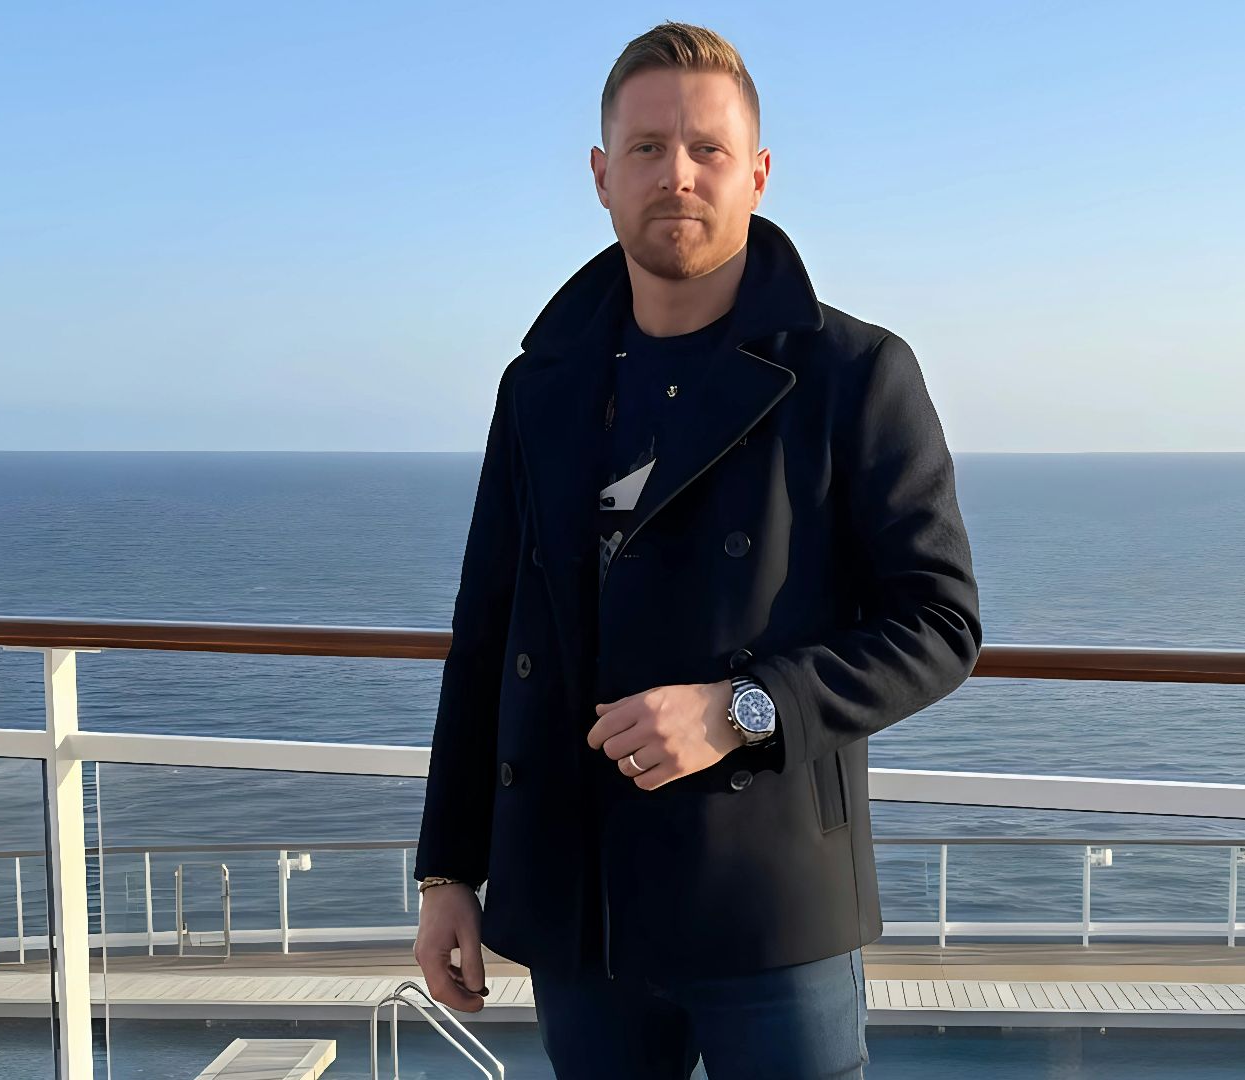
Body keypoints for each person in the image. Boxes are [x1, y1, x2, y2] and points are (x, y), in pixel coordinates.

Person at [413, 20, 982, 1079]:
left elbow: (940, 625)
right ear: (601, 175)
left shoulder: (854, 373)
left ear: (756, 174)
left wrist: (742, 709)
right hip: (581, 903)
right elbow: (486, 633)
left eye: (707, 148)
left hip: (770, 906)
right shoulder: (538, 385)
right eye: (647, 148)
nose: (676, 173)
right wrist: (448, 870)